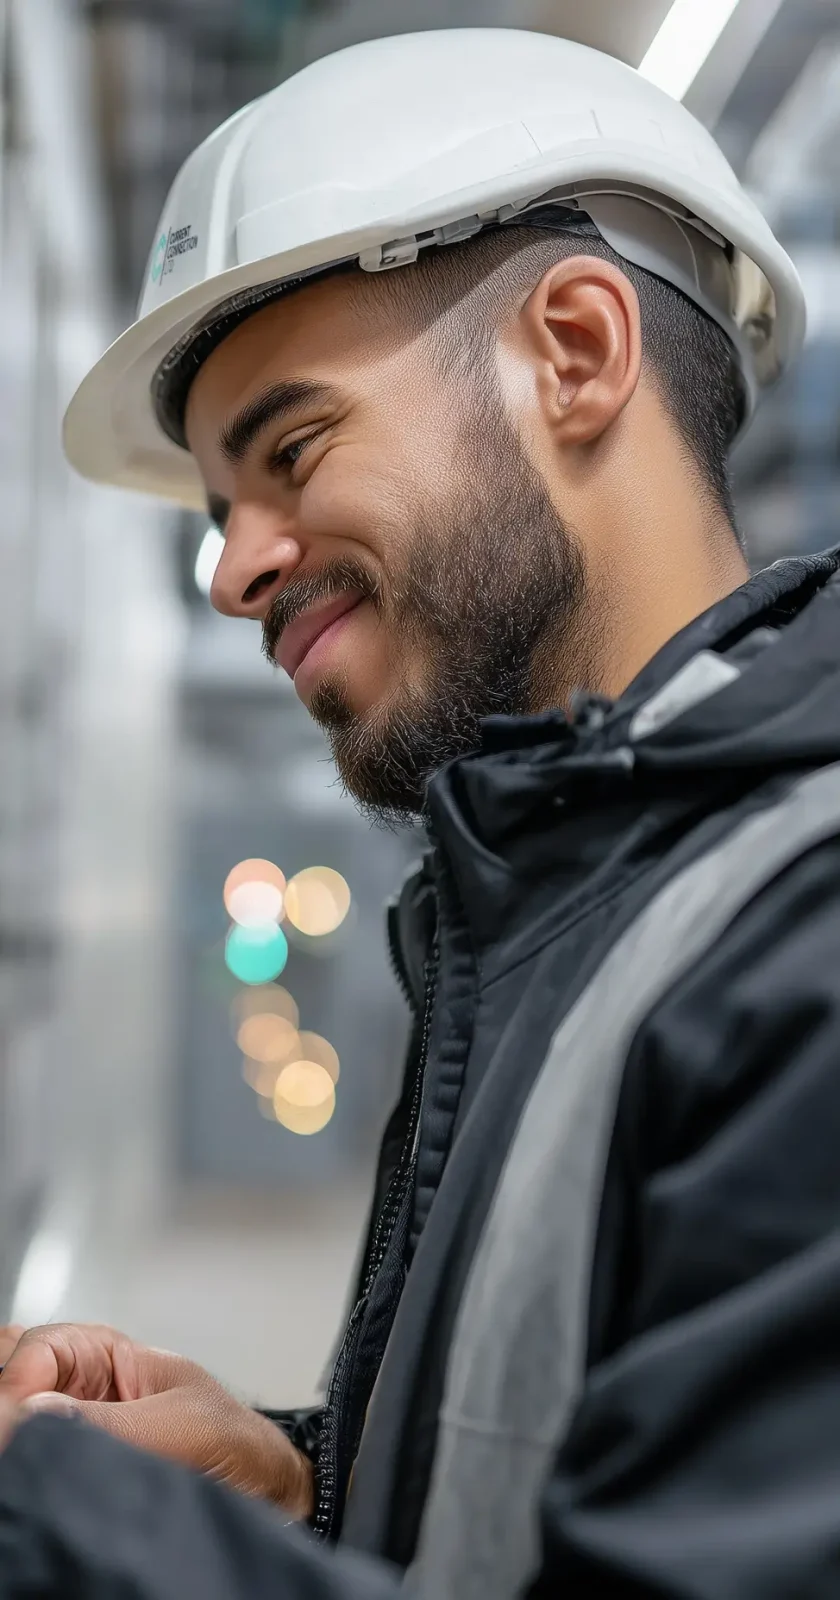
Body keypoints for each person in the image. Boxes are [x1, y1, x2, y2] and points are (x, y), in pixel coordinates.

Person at [2, 24, 840, 1598]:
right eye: (217, 508)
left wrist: (55, 1523)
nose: (234, 568)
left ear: (577, 354)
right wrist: (306, 1483)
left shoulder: (808, 937)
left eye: (295, 447)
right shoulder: (568, 897)